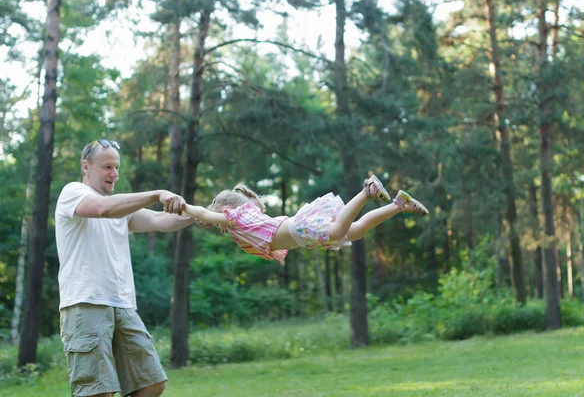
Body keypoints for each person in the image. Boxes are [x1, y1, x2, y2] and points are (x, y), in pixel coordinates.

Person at [55, 139, 195, 397]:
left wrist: (205, 214)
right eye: (108, 166)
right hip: (86, 303)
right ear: (86, 166)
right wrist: (157, 194)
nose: (115, 174)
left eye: (117, 167)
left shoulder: (122, 209)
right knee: (98, 392)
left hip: (123, 304)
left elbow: (158, 219)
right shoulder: (73, 193)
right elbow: (102, 208)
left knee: (151, 383)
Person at [183, 174, 428, 263]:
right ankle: (399, 204)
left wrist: (186, 207)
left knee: (336, 232)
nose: (217, 222)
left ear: (225, 208)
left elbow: (205, 214)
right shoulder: (248, 216)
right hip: (302, 236)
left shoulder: (235, 218)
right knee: (356, 231)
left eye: (217, 214)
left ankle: (367, 190)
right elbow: (206, 217)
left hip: (299, 228)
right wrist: (202, 219)